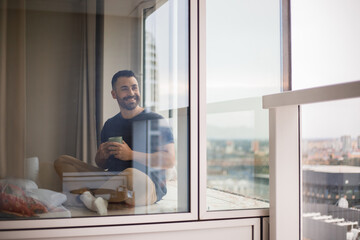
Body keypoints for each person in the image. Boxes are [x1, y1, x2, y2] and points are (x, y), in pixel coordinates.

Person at [54, 70, 175, 212]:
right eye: (124, 89)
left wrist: (130, 154)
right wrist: (101, 155)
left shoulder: (156, 120)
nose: (131, 92)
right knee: (63, 161)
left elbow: (169, 160)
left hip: (146, 183)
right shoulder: (110, 124)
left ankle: (86, 195)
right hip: (111, 178)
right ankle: (97, 196)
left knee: (130, 175)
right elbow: (101, 164)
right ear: (114, 94)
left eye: (134, 87)